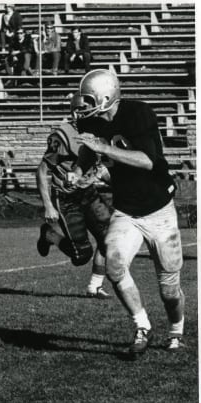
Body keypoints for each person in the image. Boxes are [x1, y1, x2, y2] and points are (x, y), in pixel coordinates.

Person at [75, 69, 185, 357]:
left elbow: (148, 161)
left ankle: (176, 328)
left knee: (169, 290)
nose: (83, 106)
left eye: (88, 99)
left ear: (106, 97)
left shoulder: (138, 113)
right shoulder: (92, 122)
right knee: (113, 263)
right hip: (126, 211)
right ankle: (141, 325)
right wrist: (78, 174)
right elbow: (87, 154)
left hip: (159, 209)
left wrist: (104, 148)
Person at [35, 92, 112, 299]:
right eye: (86, 110)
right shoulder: (63, 135)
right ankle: (50, 234)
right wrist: (48, 206)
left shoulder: (98, 130)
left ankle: (95, 286)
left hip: (88, 191)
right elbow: (42, 171)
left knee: (109, 239)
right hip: (67, 198)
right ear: (76, 112)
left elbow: (97, 166)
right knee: (81, 256)